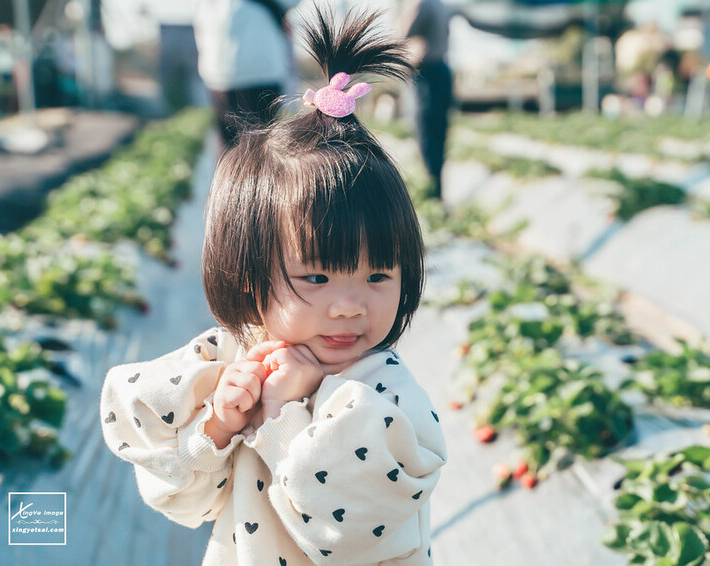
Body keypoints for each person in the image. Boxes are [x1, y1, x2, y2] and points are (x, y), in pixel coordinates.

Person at [100, 7, 446, 565]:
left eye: (379, 275)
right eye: (316, 276)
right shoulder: (235, 361)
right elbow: (182, 499)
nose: (349, 306)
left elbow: (356, 533)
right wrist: (217, 426)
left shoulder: (383, 394)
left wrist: (284, 418)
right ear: (247, 270)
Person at [193, 0, 300, 149]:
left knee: (230, 149)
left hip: (219, 71)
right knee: (262, 146)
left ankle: (229, 171)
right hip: (259, 71)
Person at [399, 0, 453, 200]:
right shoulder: (440, 5)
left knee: (427, 135)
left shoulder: (421, 4)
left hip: (427, 73)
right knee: (439, 136)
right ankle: (437, 192)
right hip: (442, 71)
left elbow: (402, 36)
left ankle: (431, 193)